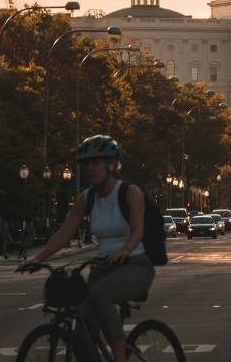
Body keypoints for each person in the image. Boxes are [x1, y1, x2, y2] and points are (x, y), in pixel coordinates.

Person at [23, 135, 155, 362]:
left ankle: (120, 358)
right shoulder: (86, 198)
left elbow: (137, 230)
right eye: (85, 164)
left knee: (99, 294)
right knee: (79, 321)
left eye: (95, 163)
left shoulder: (129, 193)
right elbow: (65, 233)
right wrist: (38, 258)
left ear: (111, 165)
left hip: (134, 265)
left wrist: (125, 250)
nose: (89, 169)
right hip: (102, 268)